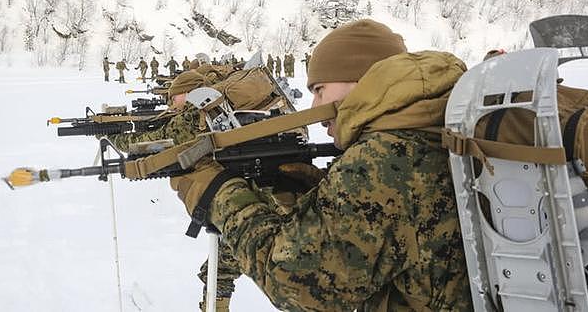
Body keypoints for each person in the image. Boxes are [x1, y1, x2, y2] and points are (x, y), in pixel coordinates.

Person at [169, 19, 473, 311]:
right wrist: (318, 197)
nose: (315, 108)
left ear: (361, 79)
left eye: (320, 90)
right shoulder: (432, 129)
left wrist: (219, 195)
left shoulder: (384, 156)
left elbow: (296, 285)